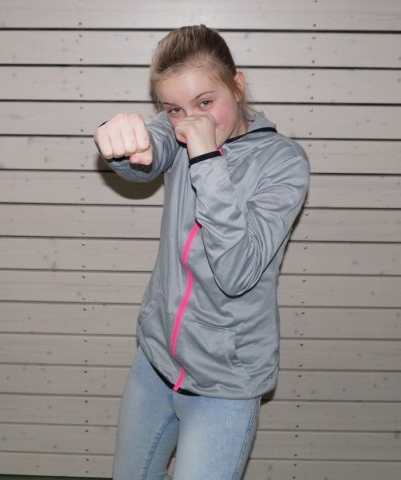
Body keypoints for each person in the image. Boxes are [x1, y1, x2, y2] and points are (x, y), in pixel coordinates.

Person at [94, 25, 310, 480]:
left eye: (206, 102)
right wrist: (120, 140)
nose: (191, 121)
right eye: (175, 109)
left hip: (225, 385)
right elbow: (146, 154)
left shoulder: (283, 162)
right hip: (156, 364)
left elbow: (236, 271)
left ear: (237, 84)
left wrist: (206, 160)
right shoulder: (173, 131)